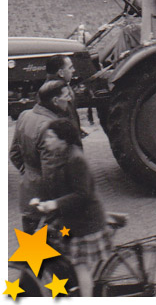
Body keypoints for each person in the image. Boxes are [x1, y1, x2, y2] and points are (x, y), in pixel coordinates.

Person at [36, 118, 113, 298]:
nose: (46, 141)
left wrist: (55, 204)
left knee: (81, 267)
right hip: (73, 219)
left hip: (85, 222)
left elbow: (82, 194)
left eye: (50, 137)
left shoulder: (75, 159)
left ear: (62, 139)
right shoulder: (62, 155)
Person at [9, 80, 75, 233]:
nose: (69, 99)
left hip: (28, 194)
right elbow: (51, 172)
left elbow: (14, 154)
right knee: (55, 249)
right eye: (66, 96)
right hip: (46, 200)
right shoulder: (51, 127)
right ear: (55, 101)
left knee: (32, 250)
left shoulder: (25, 115)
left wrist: (29, 174)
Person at [44, 55, 82, 133]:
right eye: (70, 68)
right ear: (61, 73)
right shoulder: (59, 93)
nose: (73, 70)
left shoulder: (50, 88)